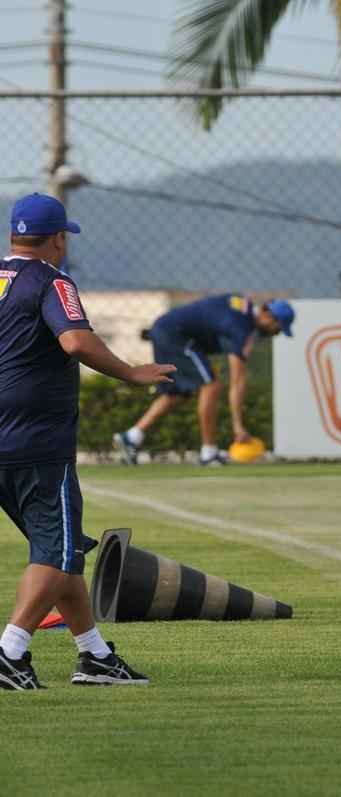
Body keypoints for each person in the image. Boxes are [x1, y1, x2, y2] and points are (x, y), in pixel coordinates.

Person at [0, 193, 176, 690]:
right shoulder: (51, 281)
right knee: (55, 553)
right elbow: (75, 341)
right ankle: (9, 652)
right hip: (36, 440)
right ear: (58, 239)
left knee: (63, 550)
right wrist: (131, 372)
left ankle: (94, 656)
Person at [113, 293, 295, 465]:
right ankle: (209, 452)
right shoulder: (242, 327)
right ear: (268, 315)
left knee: (177, 394)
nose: (275, 333)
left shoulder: (243, 308)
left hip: (165, 329)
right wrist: (238, 426)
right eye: (277, 328)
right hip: (176, 335)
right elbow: (237, 380)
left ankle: (132, 437)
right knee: (212, 385)